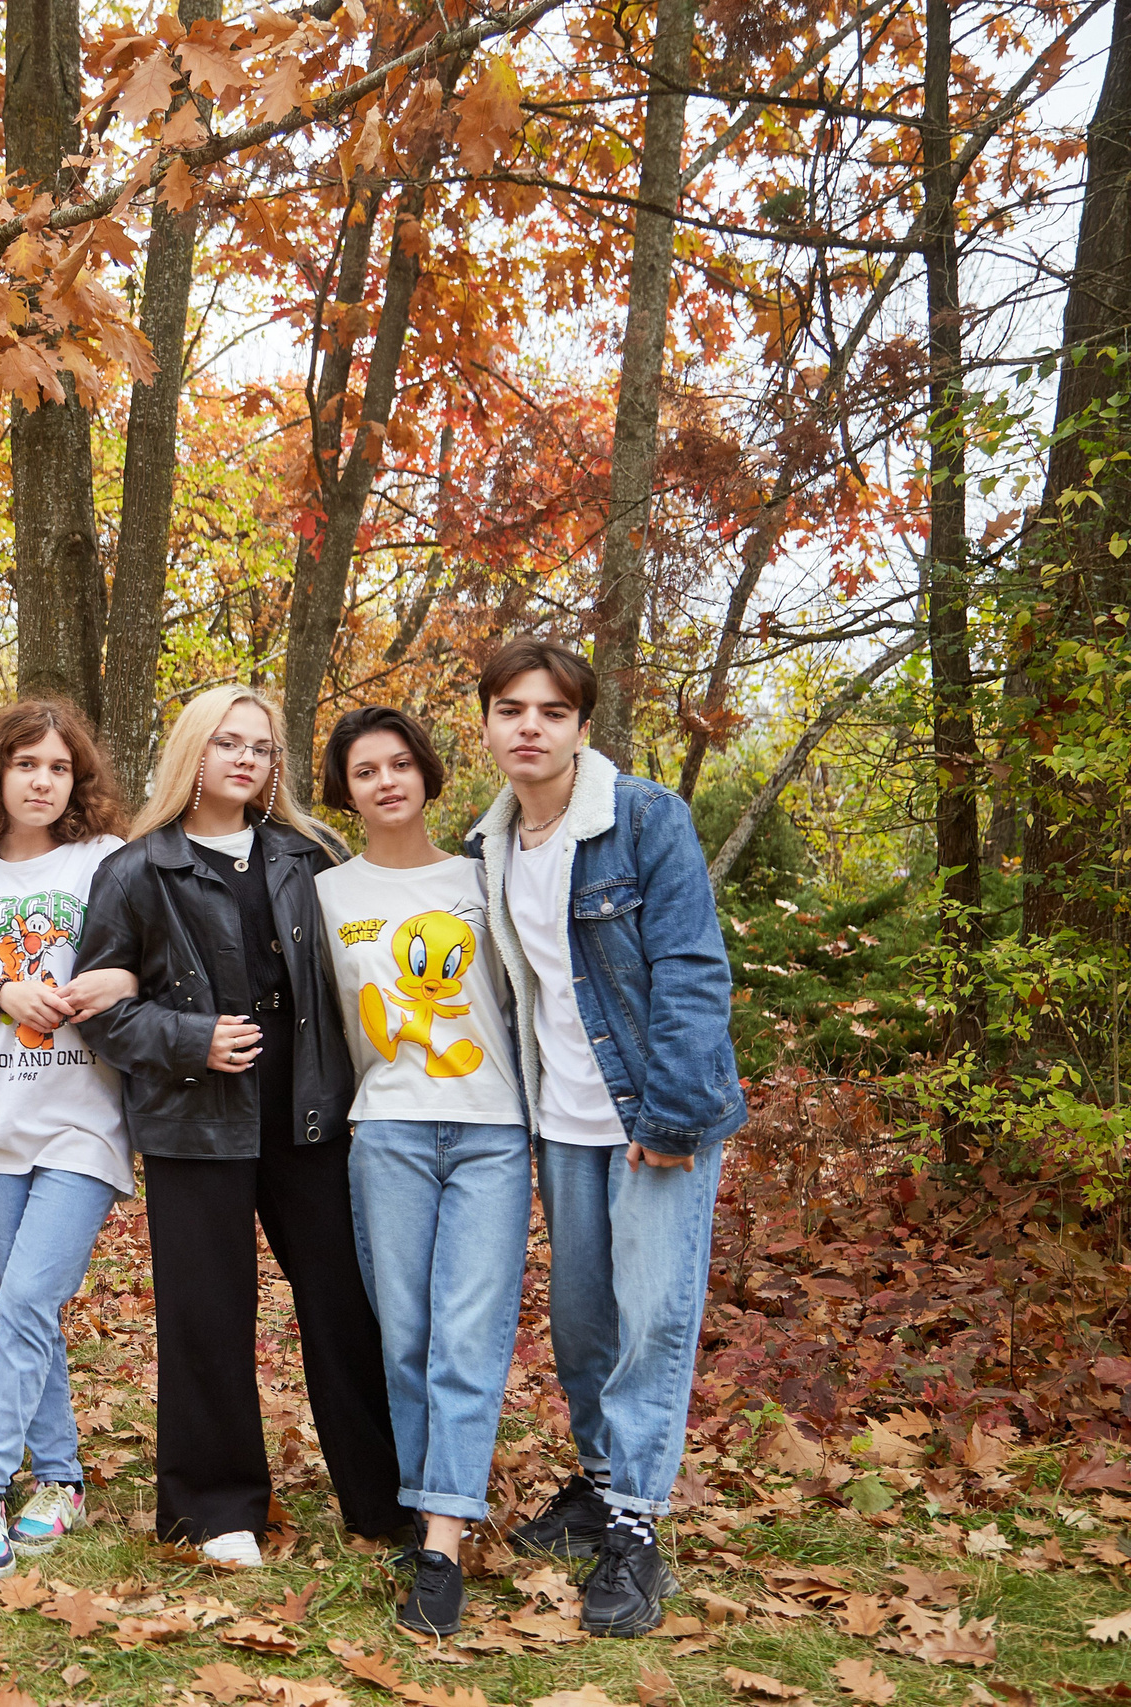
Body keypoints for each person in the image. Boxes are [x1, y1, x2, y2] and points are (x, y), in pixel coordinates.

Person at [78, 685, 402, 1566]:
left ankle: (386, 1499)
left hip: (309, 1120)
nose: (246, 759)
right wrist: (189, 1039)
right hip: (196, 1124)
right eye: (228, 743)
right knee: (207, 1314)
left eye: (261, 747)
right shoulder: (137, 870)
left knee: (345, 1306)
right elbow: (100, 1007)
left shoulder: (310, 855)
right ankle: (215, 1509)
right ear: (194, 752)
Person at [467, 640, 745, 1638]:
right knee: (583, 1324)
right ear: (488, 724)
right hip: (559, 1125)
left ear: (583, 726)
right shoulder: (488, 845)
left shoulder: (644, 822)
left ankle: (634, 1528)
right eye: (510, 709)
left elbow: (690, 970)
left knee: (651, 1320)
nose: (529, 726)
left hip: (650, 1119)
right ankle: (597, 1483)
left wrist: (669, 1118)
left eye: (551, 710)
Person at [314, 707, 531, 1635]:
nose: (388, 781)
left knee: (467, 1339)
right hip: (389, 1134)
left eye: (401, 763)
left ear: (428, 774)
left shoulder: (484, 877)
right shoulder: (325, 894)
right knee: (405, 1335)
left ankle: (440, 1545)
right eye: (367, 770)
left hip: (492, 1131)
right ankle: (425, 1506)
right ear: (346, 790)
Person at [0, 702, 139, 1581]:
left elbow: (143, 963)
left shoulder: (107, 863)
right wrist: (6, 994)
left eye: (59, 767)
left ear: (77, 781)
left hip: (84, 1117)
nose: (43, 780)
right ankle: (59, 1475)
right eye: (26, 764)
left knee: (23, 1302)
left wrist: (92, 985)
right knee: (30, 1307)